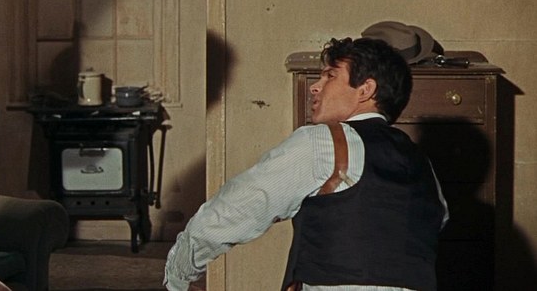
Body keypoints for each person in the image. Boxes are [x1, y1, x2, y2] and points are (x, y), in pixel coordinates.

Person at [164, 37, 449, 291]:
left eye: (330, 76)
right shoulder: (420, 161)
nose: (315, 86)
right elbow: (439, 219)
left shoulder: (324, 142)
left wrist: (179, 275)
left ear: (365, 90)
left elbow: (235, 209)